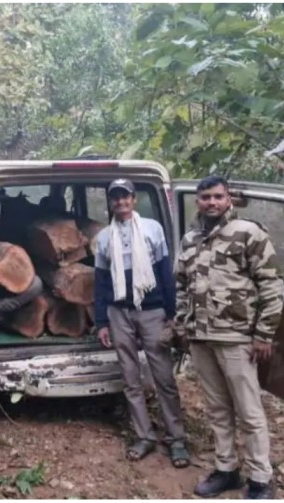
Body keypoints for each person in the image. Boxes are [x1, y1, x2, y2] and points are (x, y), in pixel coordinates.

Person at [174, 175, 283, 499]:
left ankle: (260, 478)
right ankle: (227, 470)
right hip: (201, 338)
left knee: (249, 411)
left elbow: (271, 286)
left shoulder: (249, 233)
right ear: (198, 201)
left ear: (228, 199)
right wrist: (182, 326)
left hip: (237, 338)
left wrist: (263, 335)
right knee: (217, 409)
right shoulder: (190, 239)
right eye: (205, 197)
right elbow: (181, 286)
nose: (212, 202)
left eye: (217, 196)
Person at [93, 178, 190, 468]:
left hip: (152, 311)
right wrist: (102, 321)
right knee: (130, 379)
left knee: (164, 377)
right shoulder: (103, 237)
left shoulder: (152, 229)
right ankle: (144, 436)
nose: (121, 202)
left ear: (134, 199)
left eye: (125, 197)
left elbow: (165, 273)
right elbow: (101, 283)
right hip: (119, 312)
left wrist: (172, 313)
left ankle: (176, 439)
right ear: (110, 203)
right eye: (115, 198)